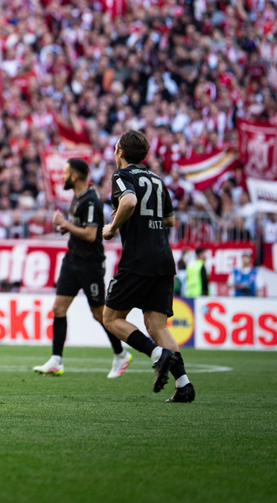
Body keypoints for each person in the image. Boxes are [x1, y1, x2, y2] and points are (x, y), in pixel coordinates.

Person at [102, 130, 194, 404]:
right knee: (157, 326)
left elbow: (129, 201)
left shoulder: (122, 176)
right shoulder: (157, 179)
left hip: (138, 259)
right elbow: (170, 220)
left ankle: (157, 355)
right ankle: (184, 384)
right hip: (163, 258)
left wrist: (112, 227)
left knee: (110, 318)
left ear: (119, 151)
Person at [34, 158, 131, 378]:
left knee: (99, 314)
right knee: (58, 309)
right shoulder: (78, 197)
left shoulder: (90, 199)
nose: (63, 177)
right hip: (72, 261)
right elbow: (80, 229)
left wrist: (66, 224)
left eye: (66, 173)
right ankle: (56, 361)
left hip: (90, 265)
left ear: (75, 176)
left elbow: (90, 234)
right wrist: (66, 229)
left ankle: (120, 353)